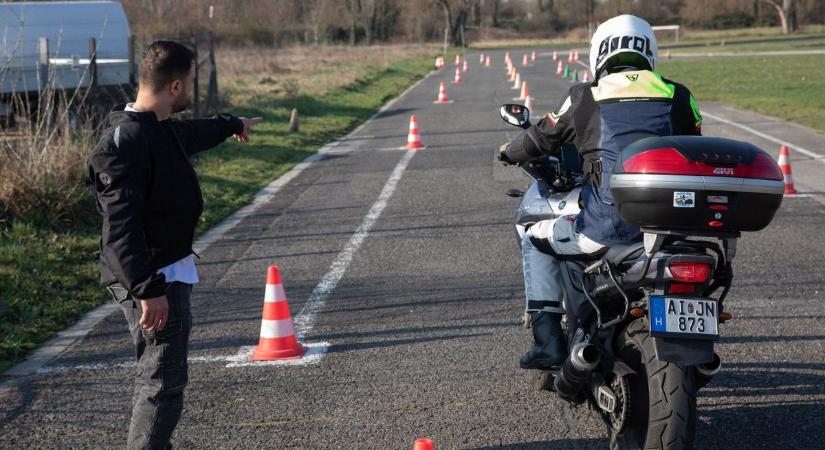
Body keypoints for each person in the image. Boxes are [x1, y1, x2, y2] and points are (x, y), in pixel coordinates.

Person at [500, 15, 703, 370]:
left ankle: (548, 341)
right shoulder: (679, 94)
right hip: (674, 231)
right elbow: (695, 147)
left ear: (600, 53)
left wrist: (508, 151)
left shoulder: (585, 96)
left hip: (608, 231)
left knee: (534, 236)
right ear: (649, 50)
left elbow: (540, 138)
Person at [87, 40, 262, 449]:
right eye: (192, 82)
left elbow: (192, 132)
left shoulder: (156, 129)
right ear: (177, 86)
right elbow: (120, 229)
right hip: (152, 277)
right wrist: (148, 290)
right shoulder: (124, 144)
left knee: (164, 379)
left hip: (164, 270)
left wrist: (232, 123)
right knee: (161, 383)